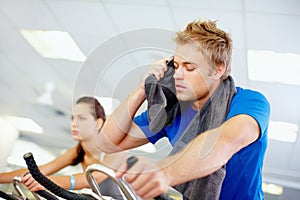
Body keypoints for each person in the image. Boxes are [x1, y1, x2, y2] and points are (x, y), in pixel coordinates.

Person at [96, 19, 271, 200]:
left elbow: (223, 142)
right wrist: (143, 88)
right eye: (176, 66)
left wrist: (164, 172)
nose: (178, 75)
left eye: (189, 68)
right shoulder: (171, 109)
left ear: (218, 70)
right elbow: (106, 143)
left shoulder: (250, 102)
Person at [0, 96, 124, 199]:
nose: (74, 124)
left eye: (82, 118)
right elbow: (41, 171)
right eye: (73, 118)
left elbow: (92, 178)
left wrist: (46, 182)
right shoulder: (77, 151)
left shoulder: (115, 149)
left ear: (98, 123)